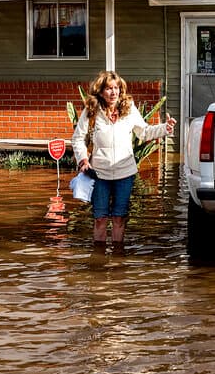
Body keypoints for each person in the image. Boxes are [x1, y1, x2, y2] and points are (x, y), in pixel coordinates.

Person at [71, 70, 176, 246]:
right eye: (109, 89)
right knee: (100, 219)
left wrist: (166, 128)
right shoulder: (91, 111)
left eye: (116, 88)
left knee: (119, 218)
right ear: (100, 91)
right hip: (99, 174)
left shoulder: (129, 108)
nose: (114, 92)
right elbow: (77, 139)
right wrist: (83, 160)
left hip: (125, 173)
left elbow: (144, 132)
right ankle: (99, 261)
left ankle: (118, 260)